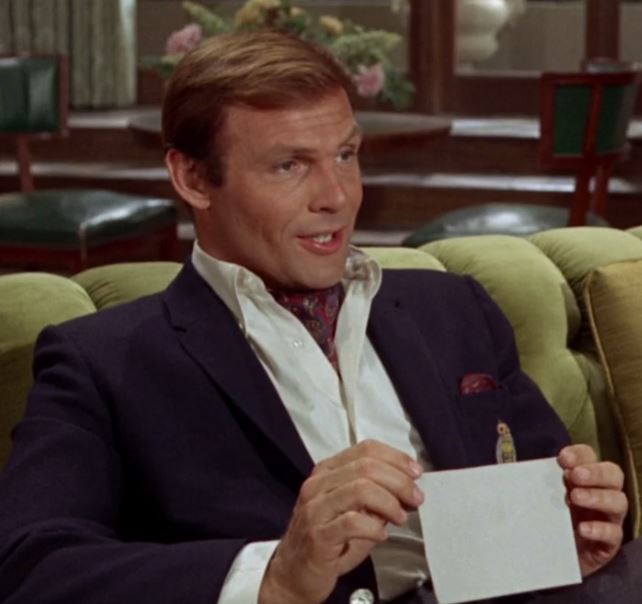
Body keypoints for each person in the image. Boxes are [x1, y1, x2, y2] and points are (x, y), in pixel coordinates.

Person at [0, 31, 636, 604]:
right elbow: (32, 569)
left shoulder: (455, 308)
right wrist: (276, 576)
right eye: (290, 165)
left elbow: (555, 505)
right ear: (192, 178)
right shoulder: (100, 362)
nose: (337, 196)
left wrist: (570, 540)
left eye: (345, 155)